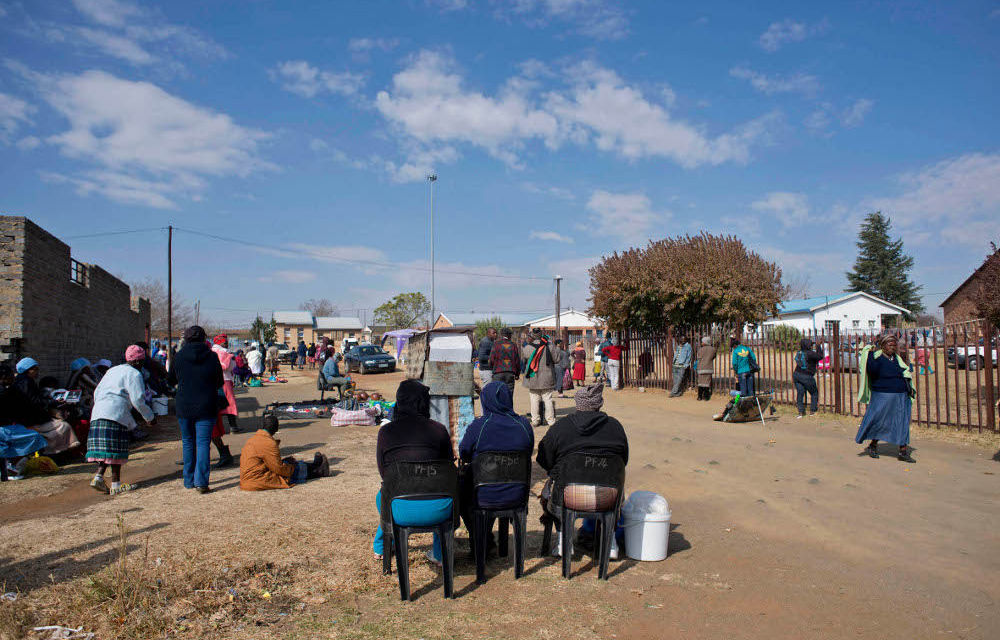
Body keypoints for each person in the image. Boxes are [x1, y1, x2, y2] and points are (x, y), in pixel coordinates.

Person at [536, 382, 628, 558]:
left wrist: (554, 471)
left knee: (553, 486)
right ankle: (611, 543)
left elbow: (543, 457)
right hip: (607, 497)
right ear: (599, 404)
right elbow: (623, 460)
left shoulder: (561, 427)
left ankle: (563, 539)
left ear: (578, 404)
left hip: (568, 497)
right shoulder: (615, 427)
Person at [373, 380, 455, 564]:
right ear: (423, 403)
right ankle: (440, 553)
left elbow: (384, 473)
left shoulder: (386, 432)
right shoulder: (439, 430)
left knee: (383, 496)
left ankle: (382, 546)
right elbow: (449, 470)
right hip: (440, 509)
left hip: (399, 509)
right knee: (439, 488)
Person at [458, 380, 534, 551]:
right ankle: (485, 540)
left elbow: (464, 453)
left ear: (486, 401)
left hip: (483, 494)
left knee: (461, 492)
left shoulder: (480, 425)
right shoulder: (524, 425)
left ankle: (481, 540)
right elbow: (527, 453)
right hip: (517, 493)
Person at [86, 345, 156, 496]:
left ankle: (99, 476)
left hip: (99, 411)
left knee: (106, 450)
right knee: (115, 451)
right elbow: (138, 399)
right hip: (116, 413)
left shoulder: (112, 370)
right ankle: (116, 484)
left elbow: (97, 391)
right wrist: (150, 417)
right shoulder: (134, 374)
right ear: (139, 361)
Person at [169, 326, 226, 493]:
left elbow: (171, 380)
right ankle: (201, 482)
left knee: (188, 442)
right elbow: (219, 382)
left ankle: (188, 480)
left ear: (186, 339)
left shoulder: (178, 357)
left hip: (184, 404)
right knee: (203, 444)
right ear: (204, 338)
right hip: (207, 404)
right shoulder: (212, 357)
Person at [855, 333, 916, 463]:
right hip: (882, 395)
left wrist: (909, 388)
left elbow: (905, 372)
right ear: (883, 345)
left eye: (894, 345)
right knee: (880, 421)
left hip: (900, 395)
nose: (893, 347)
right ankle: (872, 445)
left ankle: (903, 451)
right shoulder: (875, 358)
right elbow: (871, 371)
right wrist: (870, 353)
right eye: (890, 344)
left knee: (902, 422)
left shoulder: (896, 359)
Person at [240, 414, 329, 490]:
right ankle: (318, 471)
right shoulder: (268, 443)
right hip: (256, 480)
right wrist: (291, 466)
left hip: (249, 480)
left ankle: (315, 466)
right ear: (276, 429)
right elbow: (278, 468)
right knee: (294, 469)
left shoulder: (253, 439)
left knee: (288, 464)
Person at [13, 357, 81, 455]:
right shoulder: (26, 382)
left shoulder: (22, 381)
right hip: (29, 421)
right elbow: (34, 401)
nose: (37, 372)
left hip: (28, 418)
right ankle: (51, 451)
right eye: (35, 369)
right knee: (64, 426)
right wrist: (53, 402)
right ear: (29, 370)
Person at [522, 329, 557, 427]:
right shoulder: (550, 346)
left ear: (532, 336)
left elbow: (524, 359)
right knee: (548, 399)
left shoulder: (527, 347)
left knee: (534, 399)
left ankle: (535, 420)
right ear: (542, 335)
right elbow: (557, 359)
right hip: (547, 377)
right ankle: (550, 420)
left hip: (532, 377)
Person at [212, 334, 242, 435]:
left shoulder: (210, 352)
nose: (227, 344)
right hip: (225, 379)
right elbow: (229, 367)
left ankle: (217, 429)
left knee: (216, 404)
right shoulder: (225, 352)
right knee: (230, 403)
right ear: (221, 342)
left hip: (213, 380)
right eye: (226, 342)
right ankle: (233, 427)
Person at [793, 338, 824, 418]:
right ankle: (812, 411)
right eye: (810, 344)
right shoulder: (810, 353)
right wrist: (818, 346)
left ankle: (801, 412)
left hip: (796, 375)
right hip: (806, 376)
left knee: (800, 392)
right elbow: (820, 356)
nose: (811, 346)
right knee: (814, 393)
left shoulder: (799, 352)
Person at [488, 327, 522, 397]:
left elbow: (491, 359)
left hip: (498, 373)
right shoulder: (513, 345)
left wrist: (492, 369)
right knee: (509, 395)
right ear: (509, 335)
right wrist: (517, 374)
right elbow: (517, 361)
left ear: (501, 335)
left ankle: (498, 408)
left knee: (497, 394)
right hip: (510, 374)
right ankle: (507, 408)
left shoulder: (496, 344)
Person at [695, 336, 716, 401]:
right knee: (707, 383)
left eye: (702, 342)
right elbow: (713, 357)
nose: (701, 343)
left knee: (700, 383)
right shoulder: (713, 349)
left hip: (701, 368)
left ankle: (699, 397)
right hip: (709, 368)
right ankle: (706, 397)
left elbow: (698, 358)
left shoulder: (700, 350)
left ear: (704, 342)